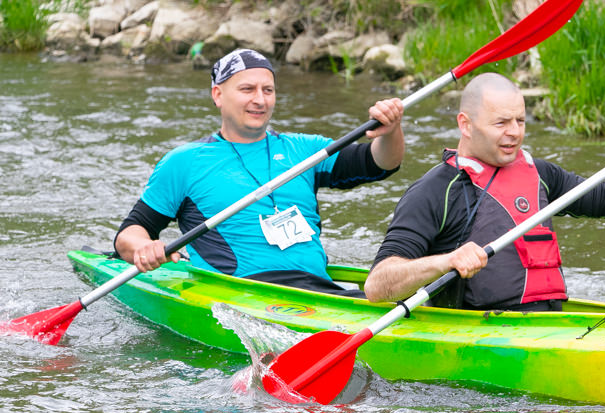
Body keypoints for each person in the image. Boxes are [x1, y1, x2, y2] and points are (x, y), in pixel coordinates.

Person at [114, 48, 405, 296]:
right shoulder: (184, 162)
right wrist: (144, 248)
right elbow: (130, 233)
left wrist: (390, 131)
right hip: (241, 295)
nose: (260, 100)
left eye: (268, 90)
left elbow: (380, 163)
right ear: (218, 95)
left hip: (318, 291)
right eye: (247, 89)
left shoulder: (307, 150)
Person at [364, 72, 605, 311]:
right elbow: (377, 286)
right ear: (466, 124)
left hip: (550, 324)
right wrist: (447, 260)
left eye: (520, 120)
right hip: (478, 333)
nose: (515, 132)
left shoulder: (541, 174)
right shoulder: (435, 190)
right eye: (501, 122)